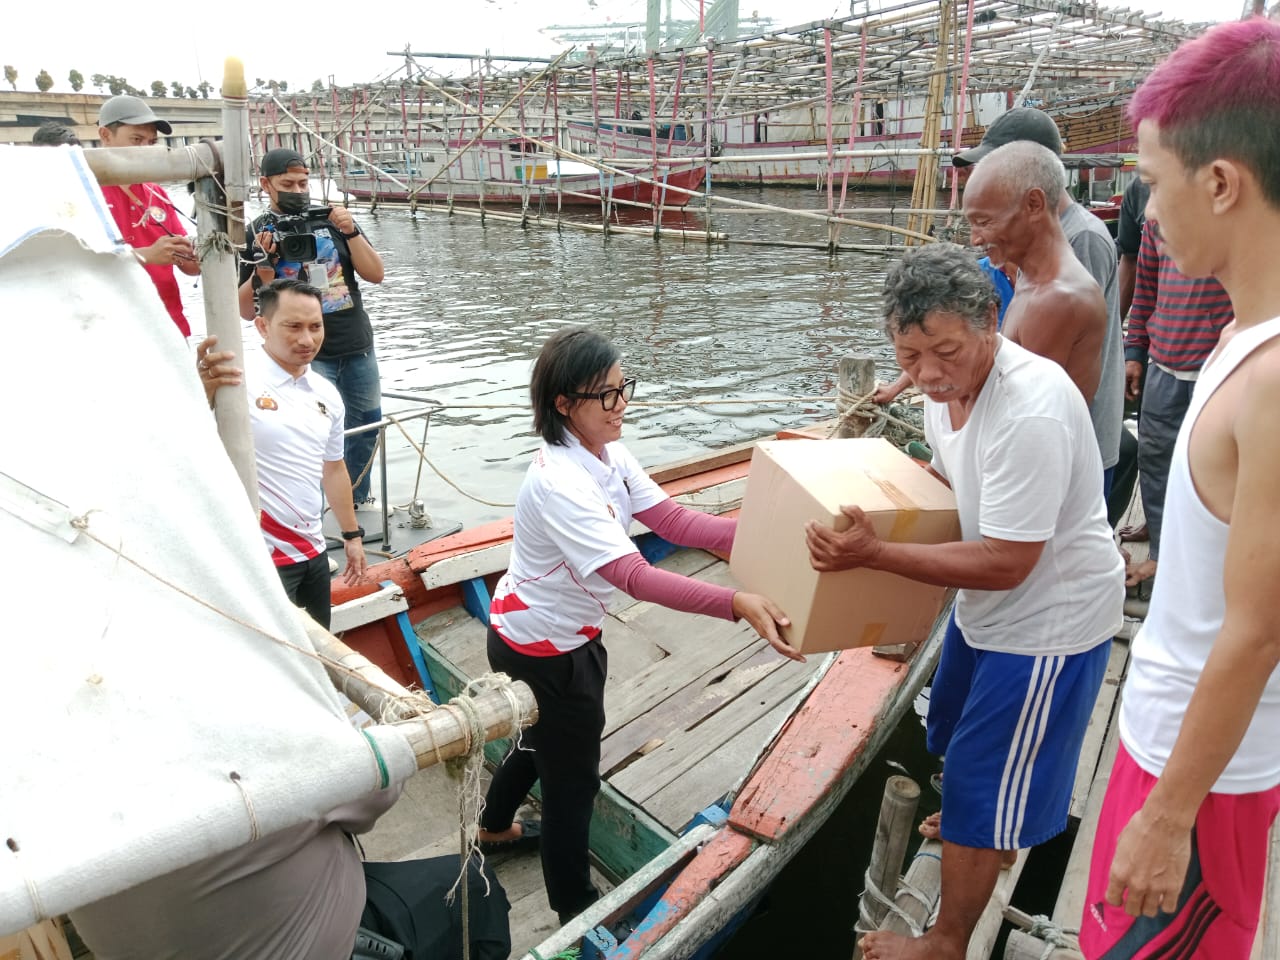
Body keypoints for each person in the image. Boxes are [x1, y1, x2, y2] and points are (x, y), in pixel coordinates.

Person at [807, 243, 1123, 960]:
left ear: (991, 321)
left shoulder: (1031, 407)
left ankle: (946, 938)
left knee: (988, 771)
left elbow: (1009, 561)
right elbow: (950, 486)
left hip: (1049, 620)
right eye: (909, 357)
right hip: (985, 613)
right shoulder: (941, 390)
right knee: (948, 726)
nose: (927, 374)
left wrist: (876, 554)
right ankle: (984, 834)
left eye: (944, 351)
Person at [474, 327, 802, 925]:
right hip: (541, 646)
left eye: (625, 388)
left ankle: (493, 828)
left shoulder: (608, 453)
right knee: (573, 787)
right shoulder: (559, 482)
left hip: (555, 630)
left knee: (539, 739)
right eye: (607, 395)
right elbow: (634, 575)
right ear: (563, 405)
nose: (622, 404)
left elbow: (672, 519)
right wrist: (736, 604)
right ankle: (576, 910)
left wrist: (767, 533)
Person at [1079, 19, 1280, 959]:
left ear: (1222, 182)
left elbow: (1260, 627)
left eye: (1155, 185)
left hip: (1199, 786)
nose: (1147, 217)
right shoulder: (1241, 338)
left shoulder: (1274, 379)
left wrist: (1168, 818)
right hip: (1167, 743)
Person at [69, 772, 512, 959]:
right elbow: (381, 786)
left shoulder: (60, 817)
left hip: (188, 938)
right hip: (317, 942)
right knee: (474, 884)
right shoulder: (251, 775)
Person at [954, 106, 1125, 495]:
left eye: (986, 220)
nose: (977, 237)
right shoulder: (1029, 261)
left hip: (1073, 451)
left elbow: (1035, 404)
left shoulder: (1080, 241)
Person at [198, 279, 367, 629]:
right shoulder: (233, 381)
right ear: (262, 326)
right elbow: (186, 437)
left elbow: (333, 469)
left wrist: (352, 537)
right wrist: (201, 392)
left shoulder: (327, 393)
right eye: (293, 327)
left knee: (320, 648)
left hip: (312, 551)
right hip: (258, 555)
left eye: (315, 326)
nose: (307, 340)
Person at [239, 148, 386, 512]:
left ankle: (355, 499)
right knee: (306, 434)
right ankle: (311, 510)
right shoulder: (257, 231)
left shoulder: (333, 218)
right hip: (300, 355)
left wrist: (350, 231)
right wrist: (264, 264)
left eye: (303, 182)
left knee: (367, 424)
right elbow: (244, 310)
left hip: (355, 344)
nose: (298, 189)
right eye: (287, 183)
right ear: (266, 185)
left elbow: (376, 274)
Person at [1119, 220, 1233, 591]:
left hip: (1219, 372)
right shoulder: (1158, 220)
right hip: (1164, 366)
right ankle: (1161, 550)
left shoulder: (1243, 215)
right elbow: (1145, 292)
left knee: (1214, 473)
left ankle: (1199, 568)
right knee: (1155, 460)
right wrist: (1135, 351)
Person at [963, 141, 1109, 412]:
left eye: (984, 222)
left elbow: (1024, 414)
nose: (975, 239)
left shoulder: (1056, 298)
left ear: (1034, 204)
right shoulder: (1030, 278)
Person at [97, 95, 199, 338]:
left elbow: (189, 267)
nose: (145, 149)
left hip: (170, 327)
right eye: (136, 139)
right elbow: (73, 265)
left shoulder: (157, 192)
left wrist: (201, 255)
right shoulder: (85, 195)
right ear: (105, 135)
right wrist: (146, 255)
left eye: (151, 141)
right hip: (111, 329)